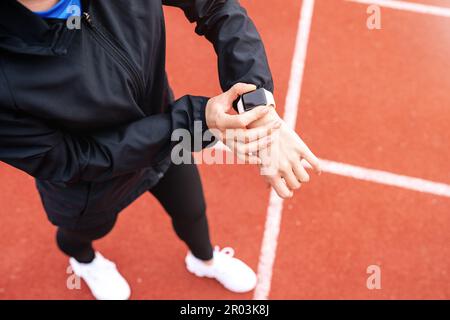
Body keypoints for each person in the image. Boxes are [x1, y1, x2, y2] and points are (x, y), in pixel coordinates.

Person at [0, 0, 321, 300]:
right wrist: (197, 120)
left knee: (192, 209)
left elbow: (213, 3)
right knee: (80, 234)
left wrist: (258, 108)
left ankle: (205, 260)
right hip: (90, 186)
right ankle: (85, 261)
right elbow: (70, 160)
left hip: (167, 136)